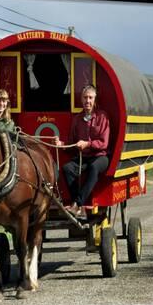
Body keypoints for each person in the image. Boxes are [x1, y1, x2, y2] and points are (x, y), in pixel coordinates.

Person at [55, 85, 110, 217]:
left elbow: (104, 143)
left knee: (94, 167)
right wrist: (62, 145)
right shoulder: (77, 119)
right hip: (83, 157)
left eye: (90, 97)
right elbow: (73, 144)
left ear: (95, 100)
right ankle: (77, 205)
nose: (88, 101)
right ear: (81, 99)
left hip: (100, 156)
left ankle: (77, 204)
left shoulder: (103, 116)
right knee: (67, 168)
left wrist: (88, 144)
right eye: (85, 97)